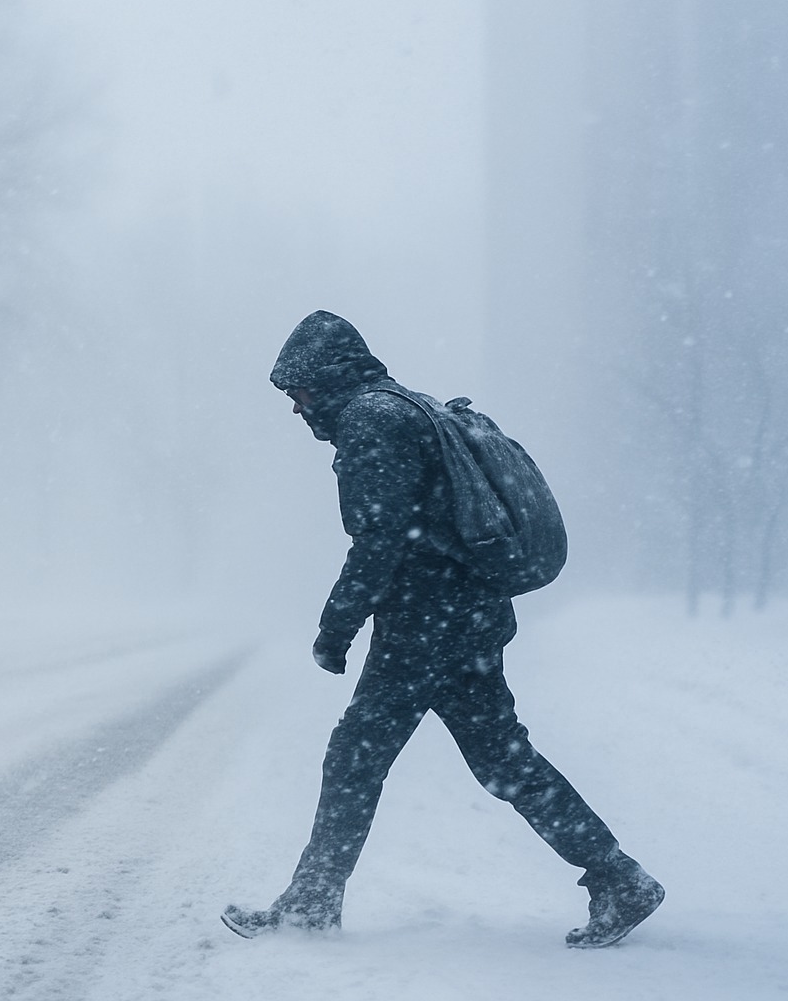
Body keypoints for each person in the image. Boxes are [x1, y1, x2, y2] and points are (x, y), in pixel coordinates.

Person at [221, 310, 663, 949]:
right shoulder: (406, 407)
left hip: (425, 621)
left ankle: (312, 903)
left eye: (302, 390)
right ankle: (620, 878)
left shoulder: (372, 419)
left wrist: (336, 628)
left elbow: (379, 539)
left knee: (356, 755)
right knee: (501, 758)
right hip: (465, 613)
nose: (297, 406)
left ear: (331, 376)